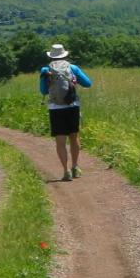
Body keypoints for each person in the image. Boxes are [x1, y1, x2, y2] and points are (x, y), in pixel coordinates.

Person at [39, 43, 92, 181]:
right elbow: (88, 83)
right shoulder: (72, 68)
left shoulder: (46, 69)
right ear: (64, 55)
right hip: (72, 106)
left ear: (51, 56)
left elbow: (43, 91)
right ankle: (75, 167)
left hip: (55, 108)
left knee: (60, 141)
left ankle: (66, 171)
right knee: (74, 137)